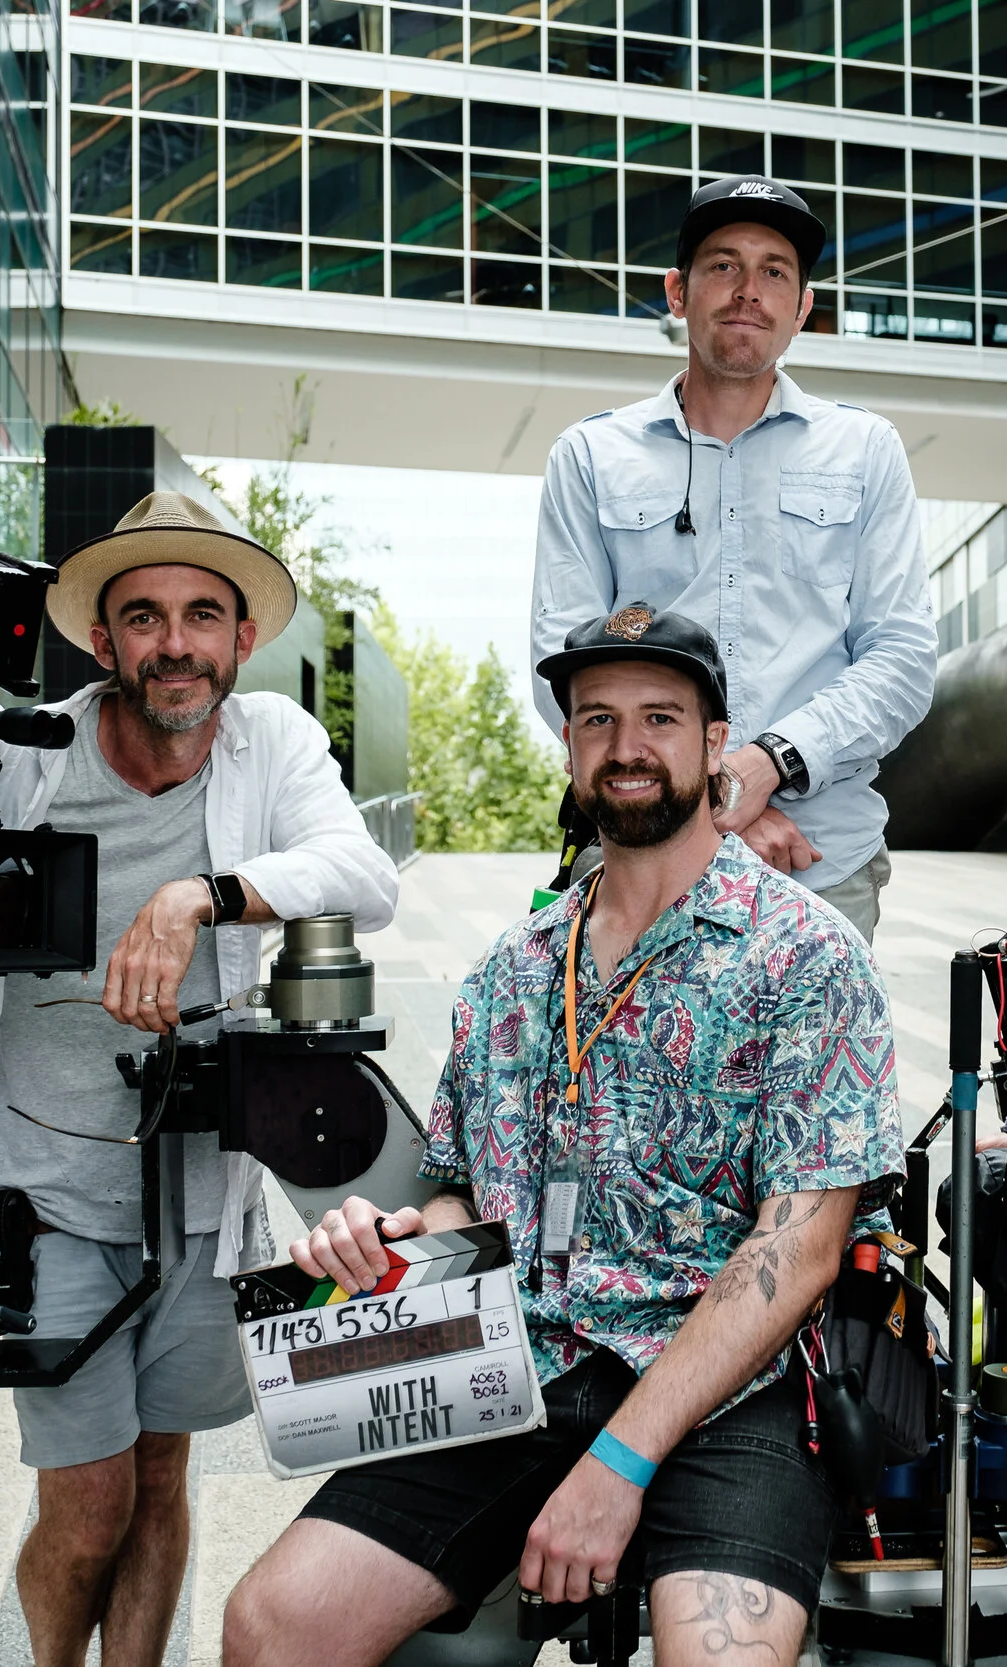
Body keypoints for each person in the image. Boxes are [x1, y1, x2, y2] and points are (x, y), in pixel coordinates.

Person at [0, 489, 398, 1667]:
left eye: (203, 614)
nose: (175, 643)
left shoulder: (274, 740)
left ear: (244, 637)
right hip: (40, 1189)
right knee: (89, 1499)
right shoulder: (19, 752)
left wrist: (199, 895)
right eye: (143, 616)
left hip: (198, 1196)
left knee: (162, 1470)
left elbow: (363, 873)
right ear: (103, 640)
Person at [223, 606, 904, 1667]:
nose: (627, 745)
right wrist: (387, 1245)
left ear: (716, 742)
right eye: (597, 719)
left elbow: (802, 1247)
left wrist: (617, 1465)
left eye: (659, 717)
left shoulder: (806, 955)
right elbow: (460, 1188)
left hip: (734, 1390)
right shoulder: (514, 967)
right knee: (271, 1625)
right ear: (573, 746)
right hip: (520, 1363)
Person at [528, 174, 937, 940]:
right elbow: (566, 665)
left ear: (802, 309)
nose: (748, 290)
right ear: (677, 293)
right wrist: (712, 812)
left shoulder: (865, 450)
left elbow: (903, 660)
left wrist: (769, 763)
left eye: (774, 271)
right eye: (723, 265)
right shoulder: (589, 456)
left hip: (820, 861)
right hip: (643, 859)